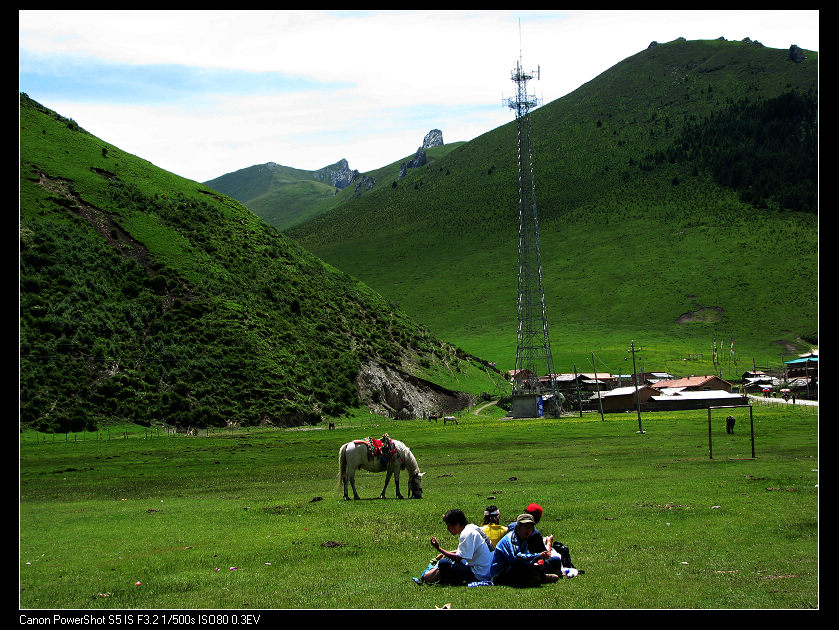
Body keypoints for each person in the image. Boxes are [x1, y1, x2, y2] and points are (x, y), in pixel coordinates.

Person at [421, 509, 493, 585]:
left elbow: (458, 558)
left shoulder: (467, 534)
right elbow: (464, 551)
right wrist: (447, 553)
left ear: (457, 524)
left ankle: (447, 581)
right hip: (488, 570)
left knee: (444, 563)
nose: (448, 529)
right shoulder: (472, 528)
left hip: (479, 574)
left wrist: (439, 549)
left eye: (449, 526)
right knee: (449, 560)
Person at [491, 513, 557, 586]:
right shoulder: (511, 539)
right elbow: (516, 557)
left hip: (512, 568)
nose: (528, 530)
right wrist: (538, 556)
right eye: (525, 527)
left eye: (530, 527)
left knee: (543, 564)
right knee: (520, 566)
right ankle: (537, 578)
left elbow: (526, 556)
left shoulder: (523, 539)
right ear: (518, 527)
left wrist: (535, 564)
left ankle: (538, 577)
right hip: (500, 574)